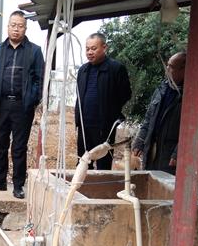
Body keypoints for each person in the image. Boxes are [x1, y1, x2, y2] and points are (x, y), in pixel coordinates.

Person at [0, 11, 44, 199]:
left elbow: (40, 80)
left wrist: (32, 100)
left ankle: (18, 185)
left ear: (25, 28)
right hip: (0, 105)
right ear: (8, 27)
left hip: (22, 107)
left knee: (19, 147)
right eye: (13, 25)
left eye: (20, 26)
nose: (16, 29)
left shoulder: (34, 51)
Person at [75, 33, 131, 169]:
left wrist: (111, 111)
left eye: (93, 48)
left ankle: (101, 183)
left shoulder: (116, 69)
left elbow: (125, 94)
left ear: (104, 47)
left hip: (104, 126)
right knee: (83, 163)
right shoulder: (83, 70)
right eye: (87, 49)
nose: (89, 52)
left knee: (103, 163)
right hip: (84, 125)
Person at [132, 51, 186, 175]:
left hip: (169, 155)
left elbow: (191, 129)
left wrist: (178, 152)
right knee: (149, 179)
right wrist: (140, 140)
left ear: (184, 70)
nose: (167, 69)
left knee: (165, 183)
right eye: (167, 65)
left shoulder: (190, 95)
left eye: (171, 67)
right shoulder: (162, 89)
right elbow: (148, 119)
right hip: (152, 149)